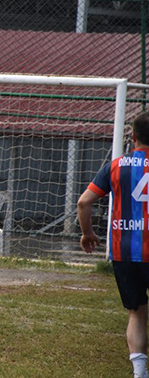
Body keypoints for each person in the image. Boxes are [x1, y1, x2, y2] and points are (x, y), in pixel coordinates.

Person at [77, 111, 149, 378]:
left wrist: (87, 233)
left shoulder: (116, 166)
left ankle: (139, 372)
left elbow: (84, 202)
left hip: (125, 251)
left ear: (133, 136)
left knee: (136, 312)